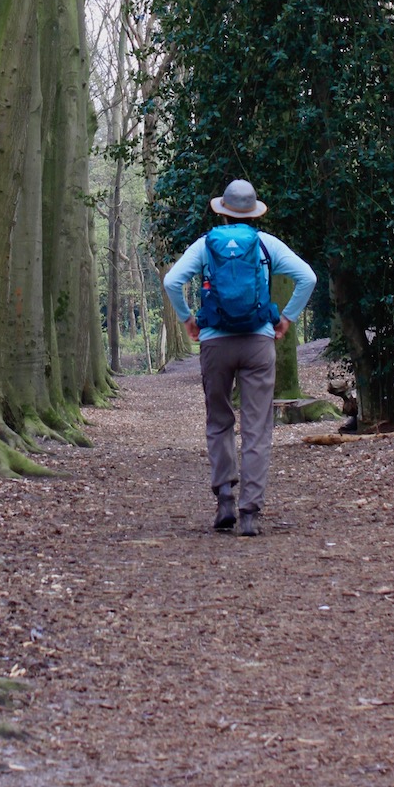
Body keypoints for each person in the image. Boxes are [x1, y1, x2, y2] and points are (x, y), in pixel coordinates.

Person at [163, 178, 316, 537]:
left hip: (216, 344)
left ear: (223, 212)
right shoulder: (266, 245)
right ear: (254, 213)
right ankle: (250, 513)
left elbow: (172, 282)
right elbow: (307, 277)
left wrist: (188, 319)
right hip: (257, 343)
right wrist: (286, 318)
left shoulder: (206, 245)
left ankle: (225, 499)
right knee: (257, 427)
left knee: (219, 421)